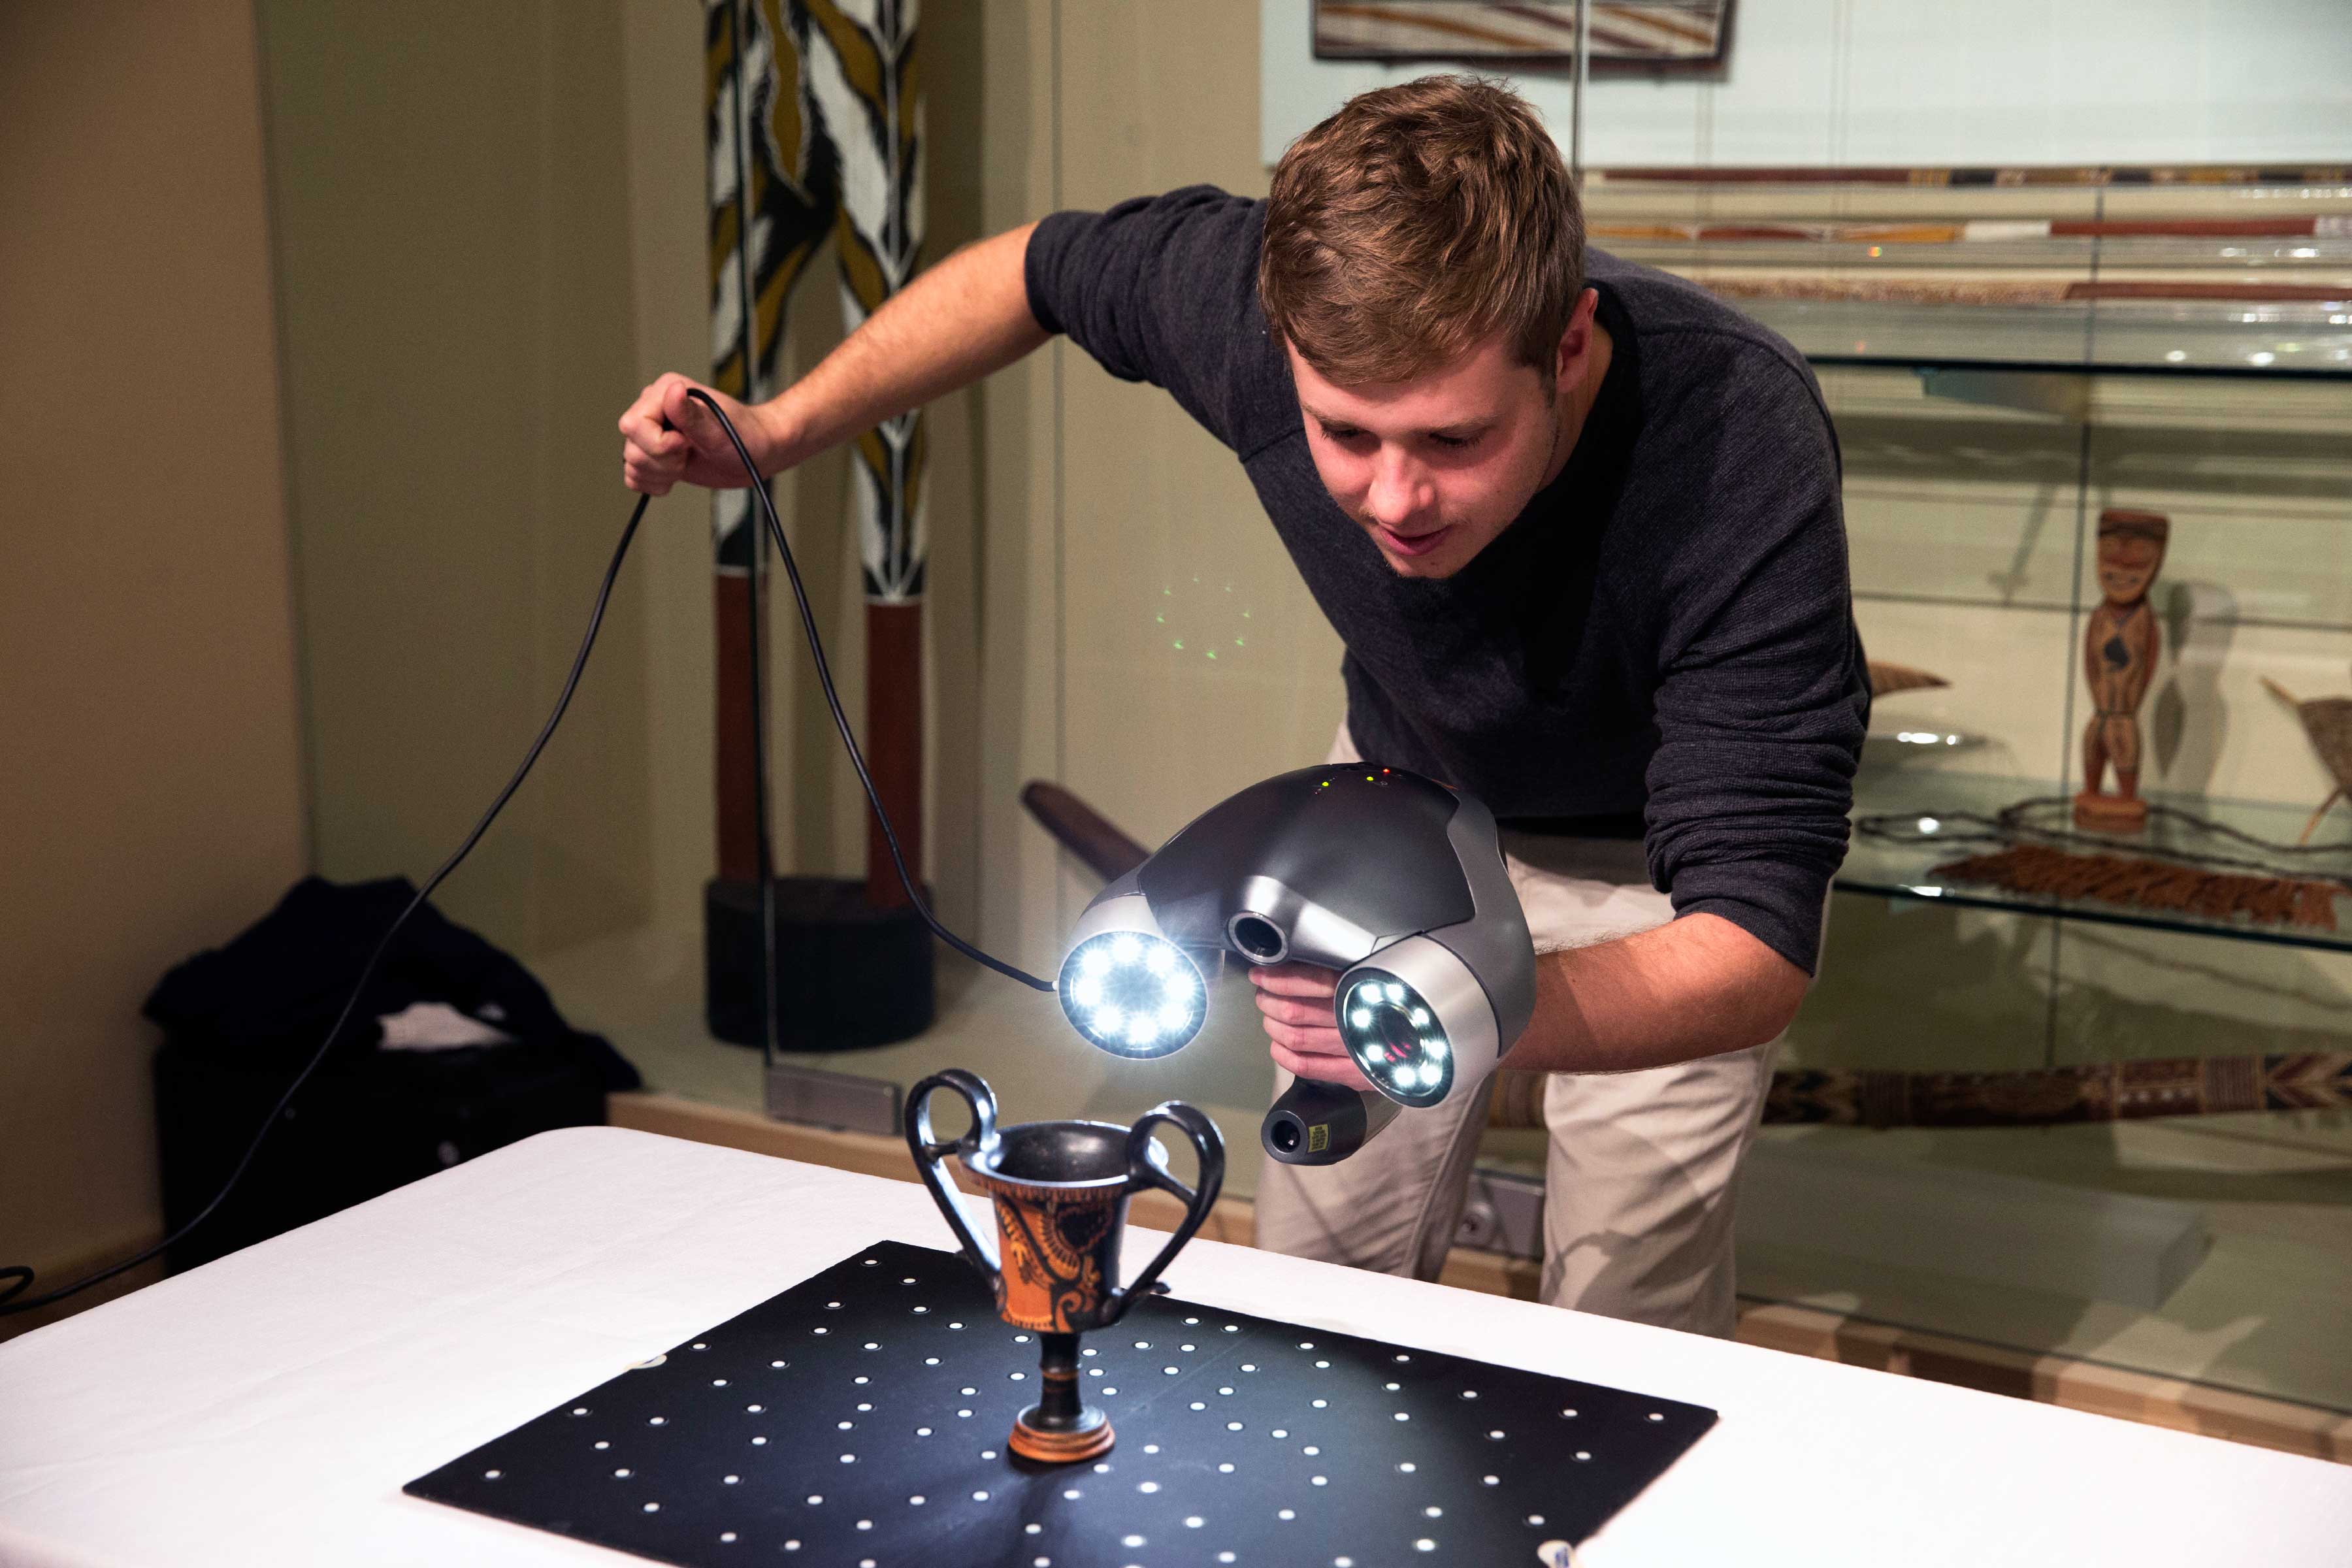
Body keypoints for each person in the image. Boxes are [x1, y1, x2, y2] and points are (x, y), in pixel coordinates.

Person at [620, 76, 1867, 1338]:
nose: (1395, 499)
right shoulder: (1241, 297)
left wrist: (1451, 1006)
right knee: (1313, 1281)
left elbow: (1754, 946)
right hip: (1400, 816)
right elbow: (1036, 271)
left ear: (1572, 347)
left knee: (1623, 1323)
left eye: (1453, 440)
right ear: (1281, 351)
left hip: (1657, 874)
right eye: (1345, 432)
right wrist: (779, 430)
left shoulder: (1736, 438)